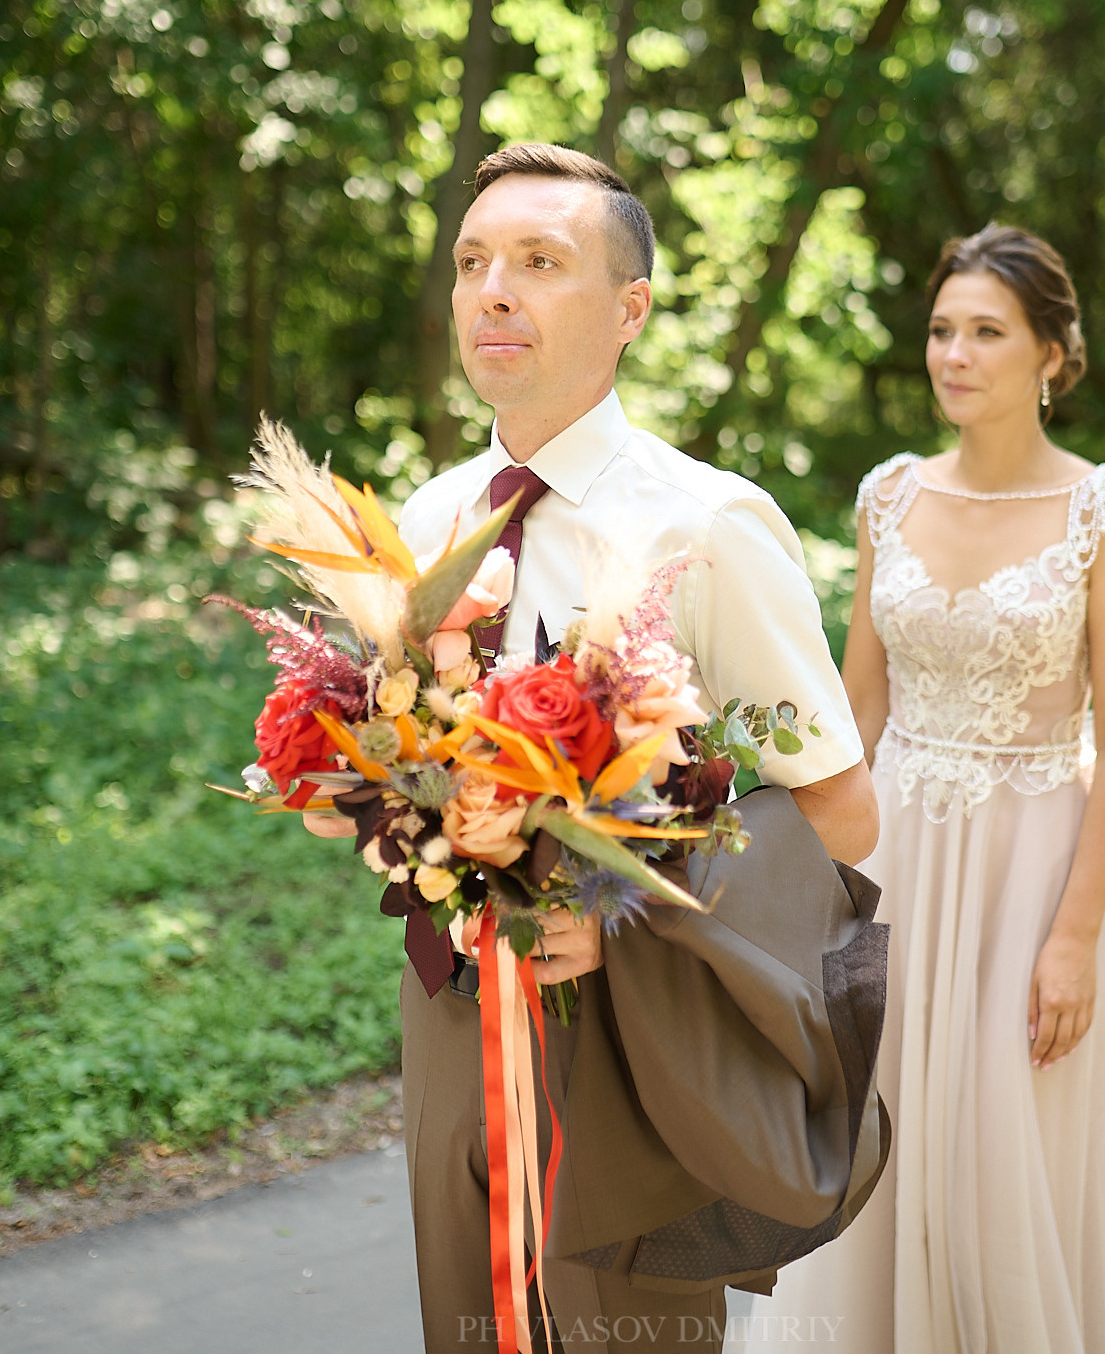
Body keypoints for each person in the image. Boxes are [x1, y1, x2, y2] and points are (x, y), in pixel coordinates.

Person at [330, 142, 882, 1352]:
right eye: (473, 262)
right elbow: (383, 765)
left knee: (621, 1335)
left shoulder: (706, 524)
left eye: (539, 261)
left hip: (625, 1027)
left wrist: (628, 912)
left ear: (629, 308)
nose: (493, 290)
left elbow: (840, 811)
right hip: (446, 1014)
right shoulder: (426, 520)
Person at [741, 224, 1105, 1352]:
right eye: (939, 330)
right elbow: (854, 709)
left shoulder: (1102, 513)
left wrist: (1070, 939)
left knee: (1001, 1154)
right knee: (881, 1135)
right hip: (899, 856)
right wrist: (809, 881)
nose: (953, 354)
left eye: (985, 332)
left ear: (1051, 355)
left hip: (1035, 866)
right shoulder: (887, 496)